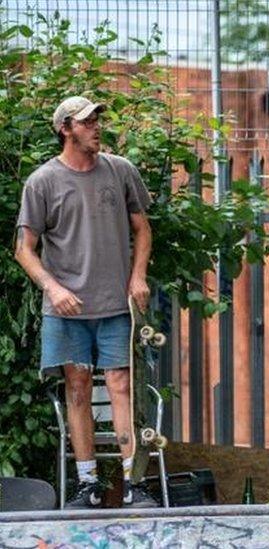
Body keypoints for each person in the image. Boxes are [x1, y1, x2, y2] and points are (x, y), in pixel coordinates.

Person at [14, 96, 156, 509]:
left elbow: (142, 230)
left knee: (121, 385)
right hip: (66, 309)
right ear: (66, 128)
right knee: (76, 390)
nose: (96, 126)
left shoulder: (120, 170)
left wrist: (139, 274)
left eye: (97, 119)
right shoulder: (42, 182)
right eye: (87, 121)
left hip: (116, 304)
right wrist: (52, 288)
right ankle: (87, 484)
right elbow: (24, 249)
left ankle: (134, 483)